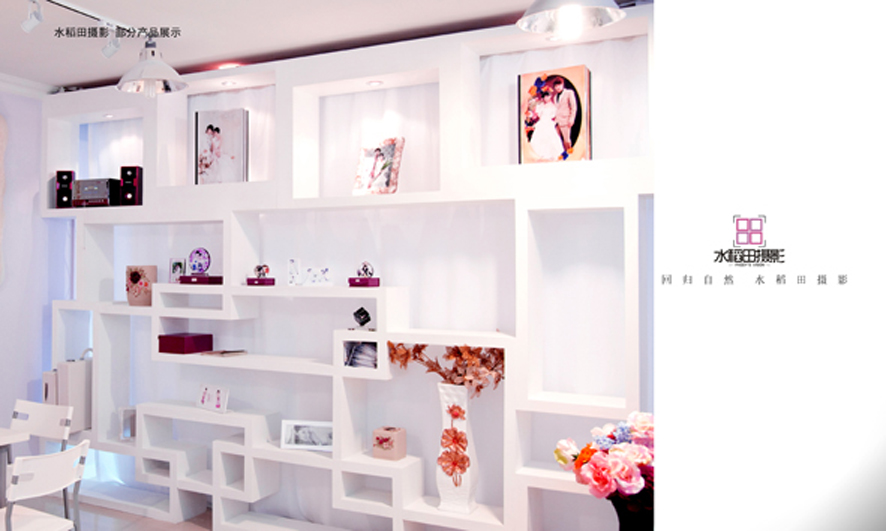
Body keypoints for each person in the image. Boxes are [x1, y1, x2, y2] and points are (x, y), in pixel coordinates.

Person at [528, 90, 564, 161]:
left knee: (550, 137)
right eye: (545, 97)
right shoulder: (540, 106)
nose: (546, 98)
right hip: (542, 122)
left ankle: (551, 155)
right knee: (539, 137)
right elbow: (538, 114)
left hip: (548, 122)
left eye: (548, 96)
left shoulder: (553, 106)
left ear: (550, 96)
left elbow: (554, 114)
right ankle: (540, 154)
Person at [550, 76, 578, 152]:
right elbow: (556, 109)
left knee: (567, 141)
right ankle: (562, 155)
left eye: (559, 85)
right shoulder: (555, 96)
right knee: (557, 141)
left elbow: (573, 107)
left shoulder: (569, 93)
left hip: (566, 120)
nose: (558, 87)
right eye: (556, 86)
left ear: (562, 85)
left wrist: (571, 119)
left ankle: (569, 155)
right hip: (557, 121)